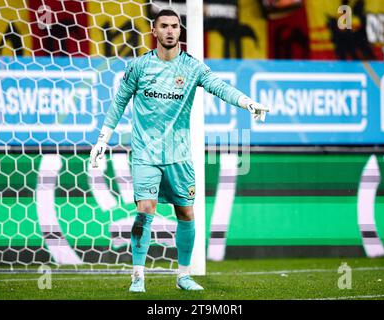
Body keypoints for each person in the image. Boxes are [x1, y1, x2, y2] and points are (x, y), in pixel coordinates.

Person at [89, 8, 268, 293]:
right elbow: (119, 102)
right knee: (145, 209)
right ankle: (138, 276)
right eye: (164, 26)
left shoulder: (192, 67)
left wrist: (247, 102)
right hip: (146, 153)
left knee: (185, 213)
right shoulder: (138, 67)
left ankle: (183, 276)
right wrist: (102, 140)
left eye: (175, 26)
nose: (170, 31)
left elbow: (219, 87)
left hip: (179, 155)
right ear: (154, 30)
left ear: (180, 30)